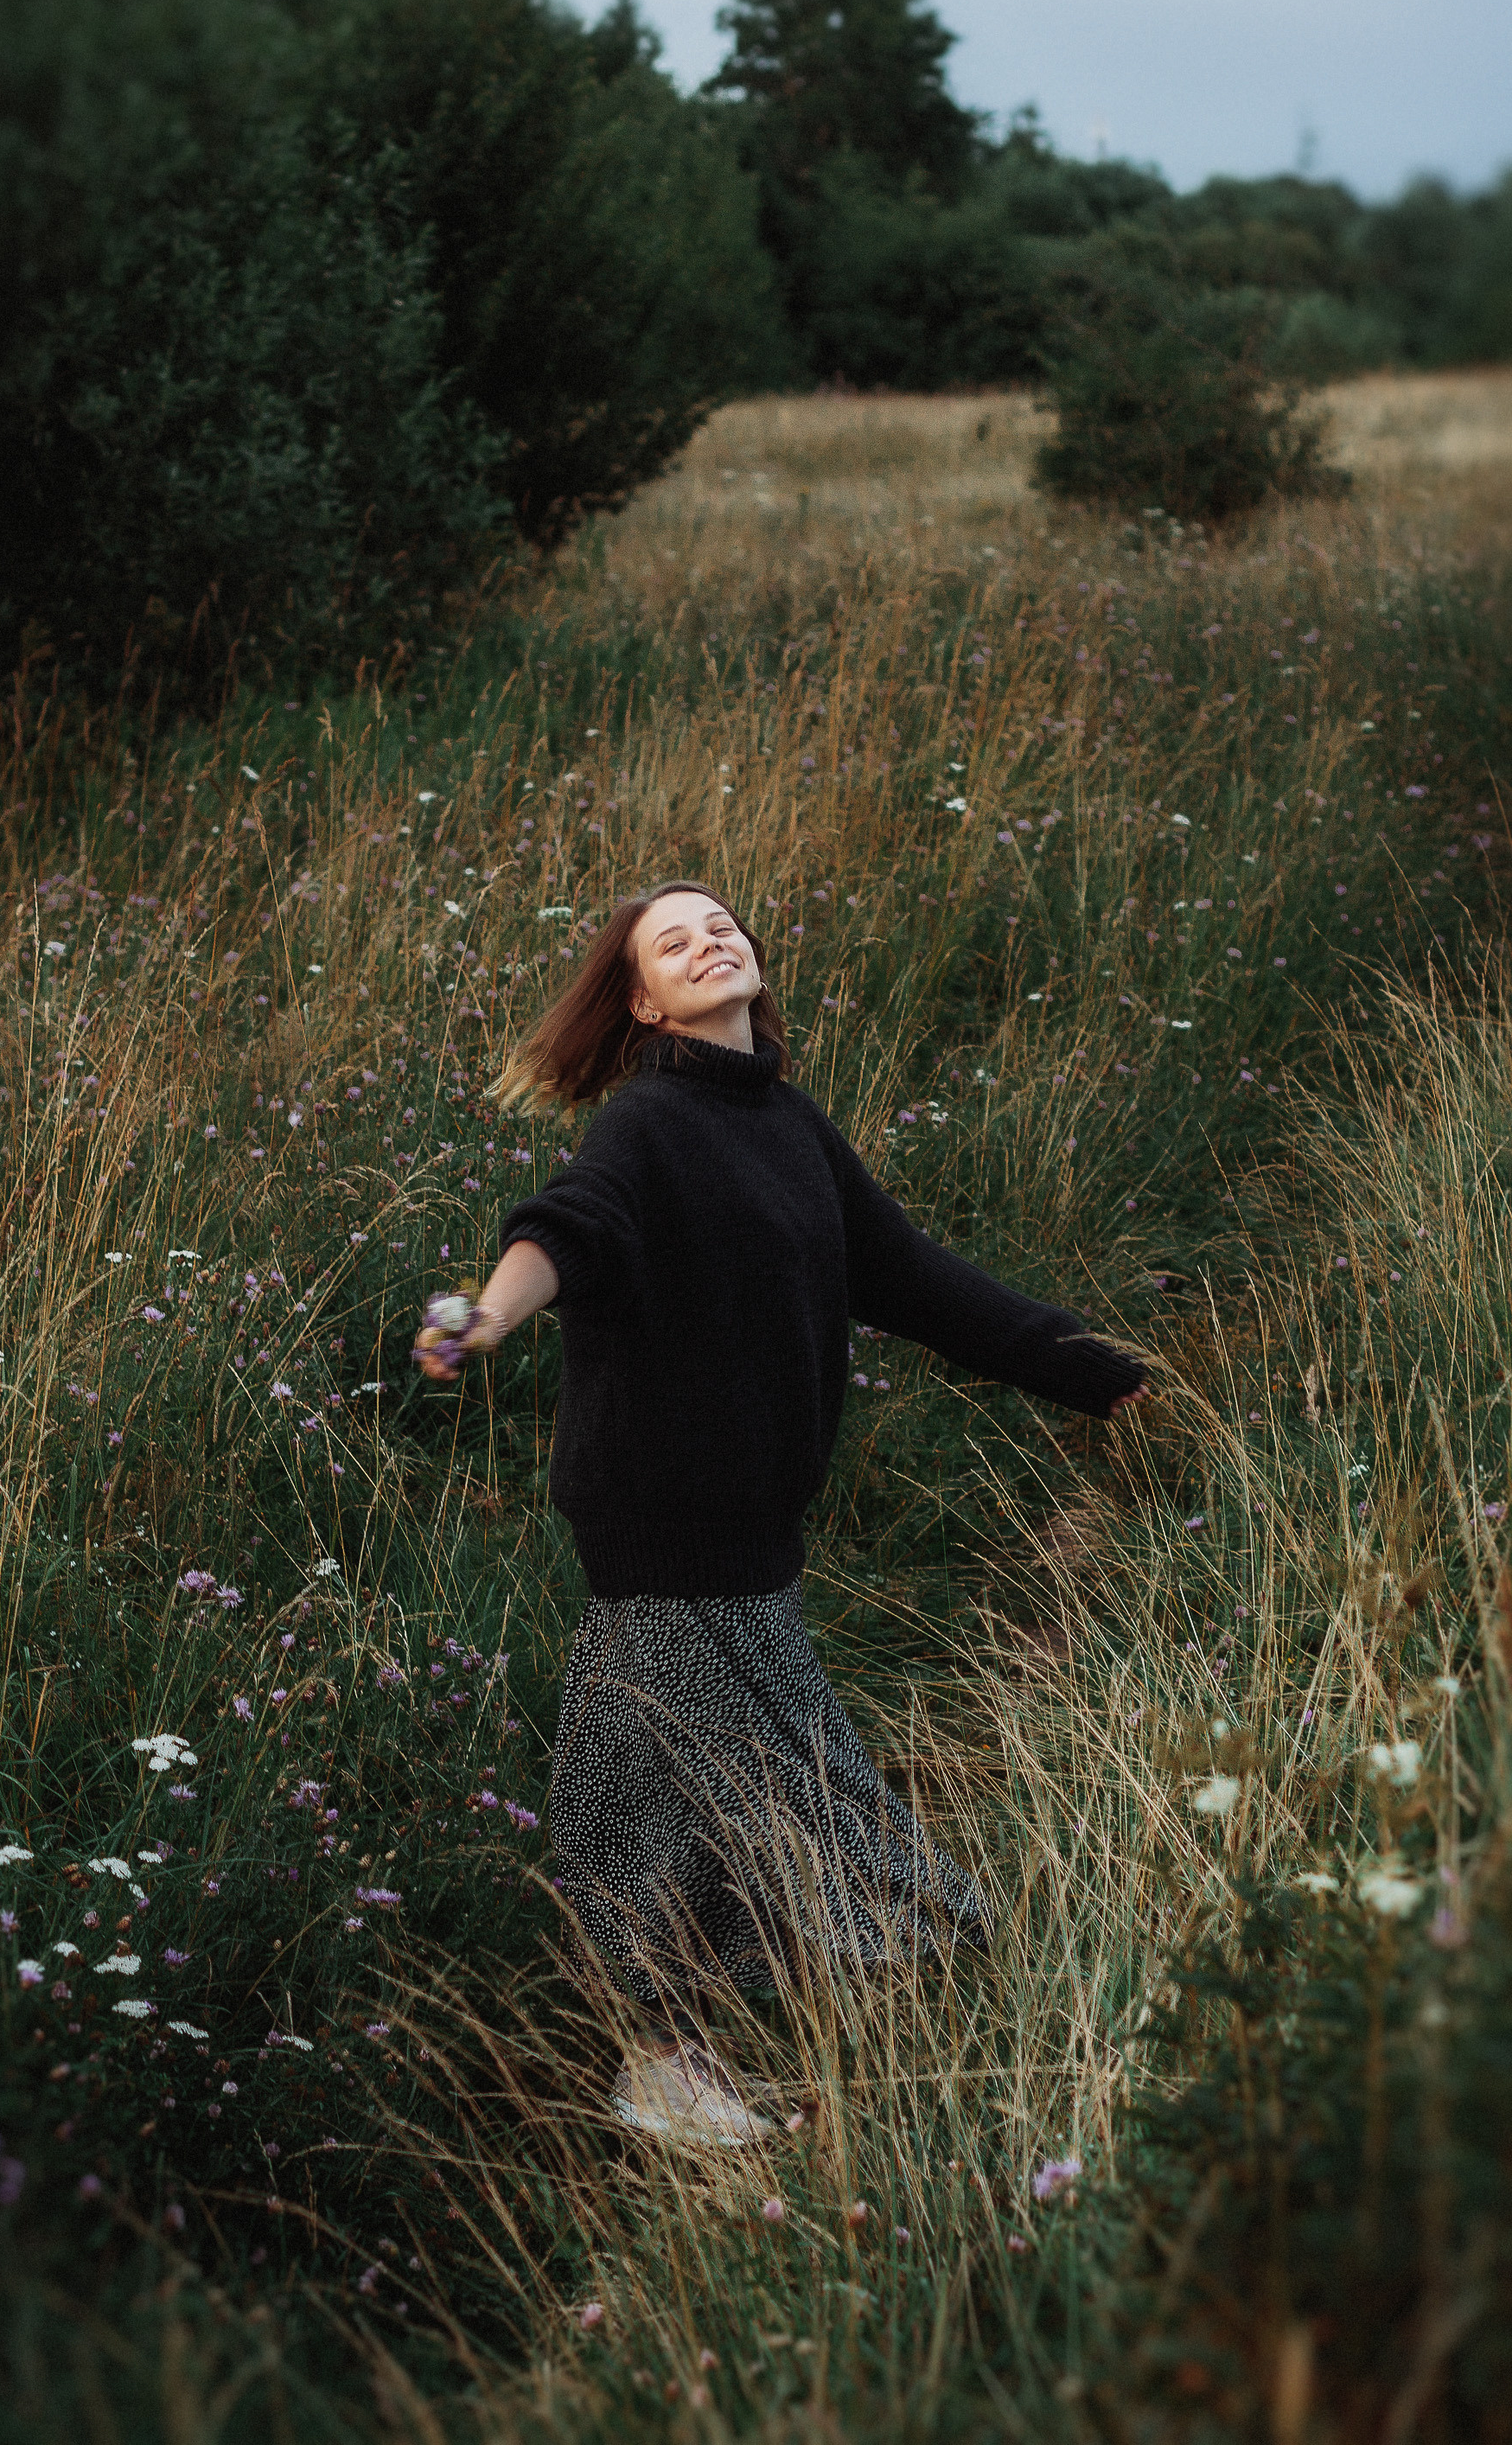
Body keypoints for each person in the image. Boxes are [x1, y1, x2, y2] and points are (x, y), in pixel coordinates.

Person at [413, 878, 1147, 2145]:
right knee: (786, 1791)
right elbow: (569, 1227)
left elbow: (914, 1280)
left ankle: (668, 2066)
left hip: (750, 1529)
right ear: (642, 999)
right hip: (663, 1513)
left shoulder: (790, 1127)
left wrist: (1098, 1371)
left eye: (723, 926)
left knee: (658, 1785)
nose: (712, 943)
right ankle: (918, 1988)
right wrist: (488, 1313)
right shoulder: (645, 1123)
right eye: (674, 941)